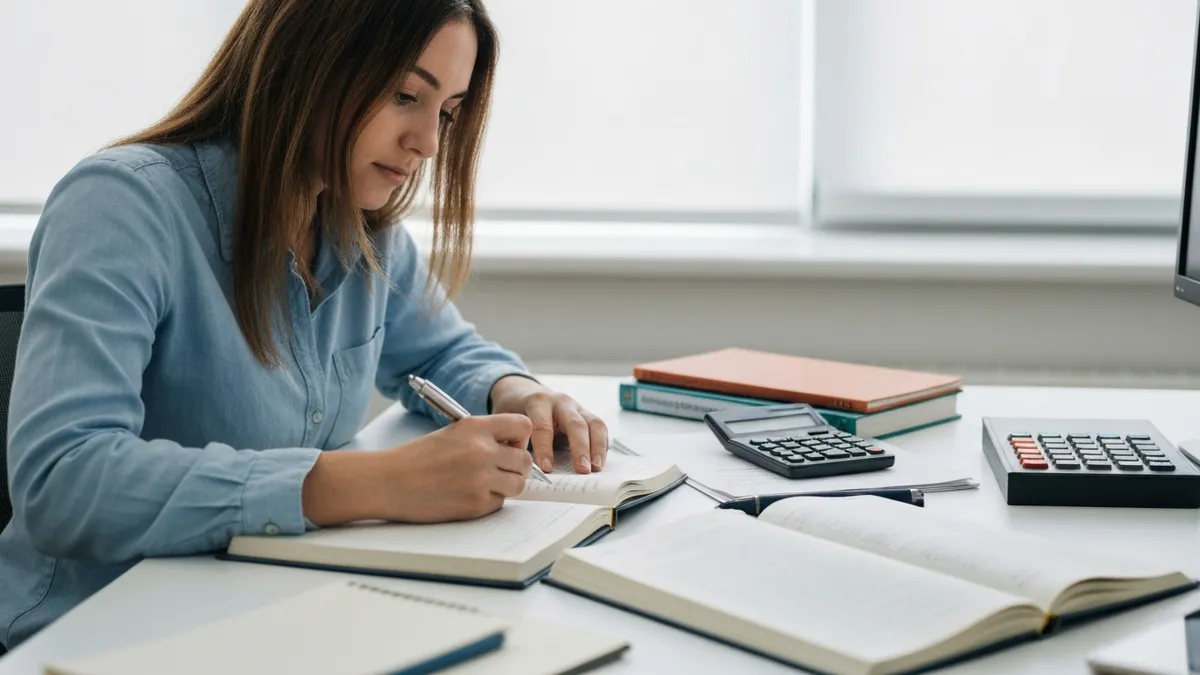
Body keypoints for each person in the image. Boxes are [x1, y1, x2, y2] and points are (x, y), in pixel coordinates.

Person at [0, 0, 609, 651]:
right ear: (308, 56)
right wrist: (376, 482)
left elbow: (440, 351)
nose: (429, 143)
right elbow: (62, 480)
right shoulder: (122, 207)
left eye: (447, 113)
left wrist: (513, 391)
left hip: (265, 615)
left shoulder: (358, 224)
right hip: (97, 636)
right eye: (407, 94)